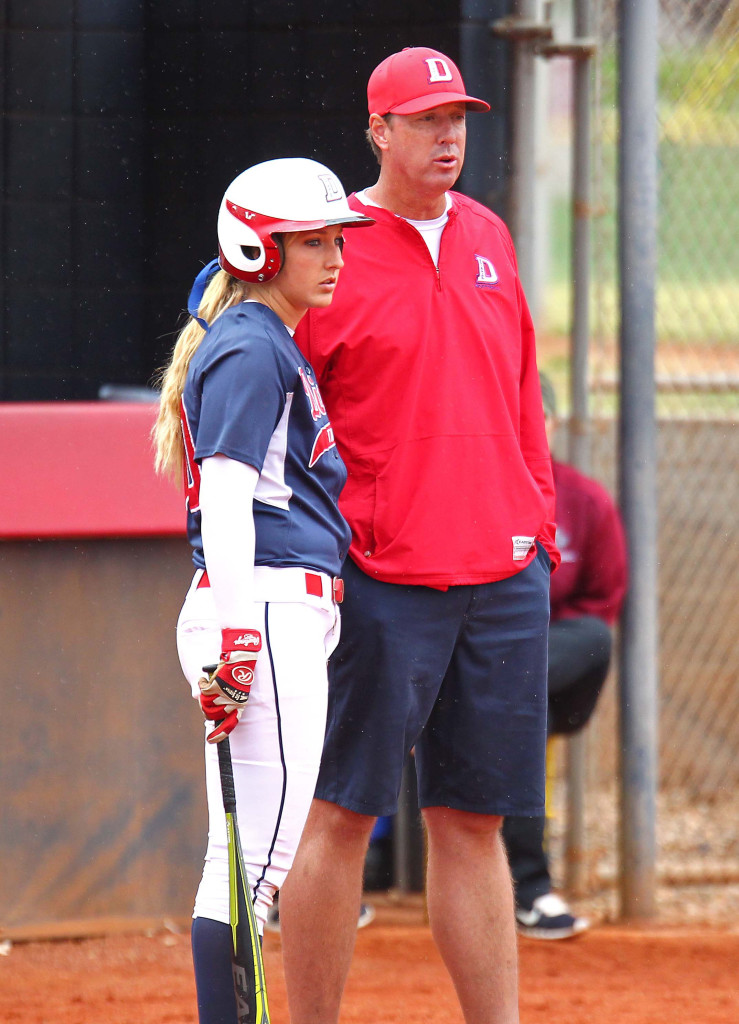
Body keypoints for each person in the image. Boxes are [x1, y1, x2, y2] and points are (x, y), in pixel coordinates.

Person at [278, 47, 559, 1024]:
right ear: (379, 132)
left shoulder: (488, 234)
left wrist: (538, 518)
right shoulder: (326, 246)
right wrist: (324, 548)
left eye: (458, 118)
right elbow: (279, 410)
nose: (448, 137)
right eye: (426, 120)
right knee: (341, 814)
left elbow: (523, 389)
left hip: (501, 574)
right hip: (381, 579)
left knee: (475, 822)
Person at [151, 157, 373, 1024]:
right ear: (257, 248)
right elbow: (231, 503)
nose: (332, 257)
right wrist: (240, 637)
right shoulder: (251, 344)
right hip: (265, 605)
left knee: (241, 856)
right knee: (255, 862)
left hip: (270, 606)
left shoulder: (260, 338)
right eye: (308, 243)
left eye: (334, 240)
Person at [502, 372, 628, 939]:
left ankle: (528, 890)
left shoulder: (582, 497)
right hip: (475, 658)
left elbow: (604, 599)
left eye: (533, 415)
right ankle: (530, 893)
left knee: (526, 684)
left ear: (548, 424)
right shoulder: (470, 489)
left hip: (551, 660)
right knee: (509, 714)